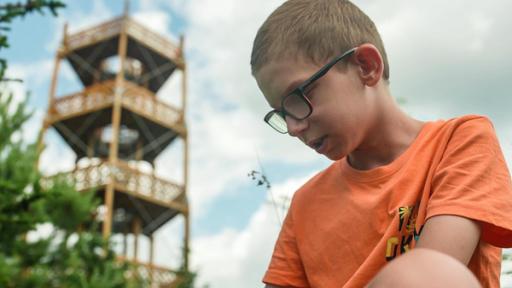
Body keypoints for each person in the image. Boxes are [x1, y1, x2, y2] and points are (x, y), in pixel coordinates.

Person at [249, 0, 512, 287]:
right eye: (282, 113)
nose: (293, 127)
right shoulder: (305, 204)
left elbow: (434, 275)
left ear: (366, 66)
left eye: (298, 98)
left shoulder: (460, 140)